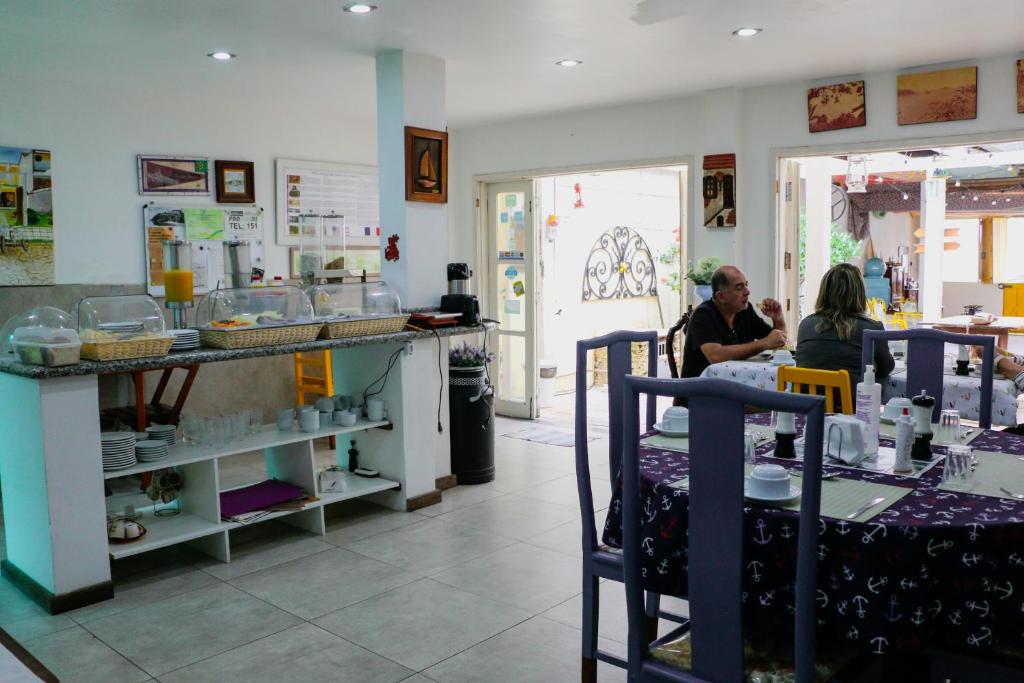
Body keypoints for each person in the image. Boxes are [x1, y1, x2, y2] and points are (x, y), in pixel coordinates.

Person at [795, 262, 895, 395]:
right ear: (860, 293)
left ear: (824, 292)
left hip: (808, 410)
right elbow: (885, 369)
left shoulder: (805, 325)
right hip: (850, 413)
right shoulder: (871, 329)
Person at [681, 265, 787, 379]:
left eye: (746, 285)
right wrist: (764, 343)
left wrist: (778, 318)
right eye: (739, 287)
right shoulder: (703, 314)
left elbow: (779, 340)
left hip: (736, 384)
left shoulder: (744, 311)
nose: (747, 292)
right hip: (701, 391)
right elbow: (716, 356)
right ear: (721, 296)